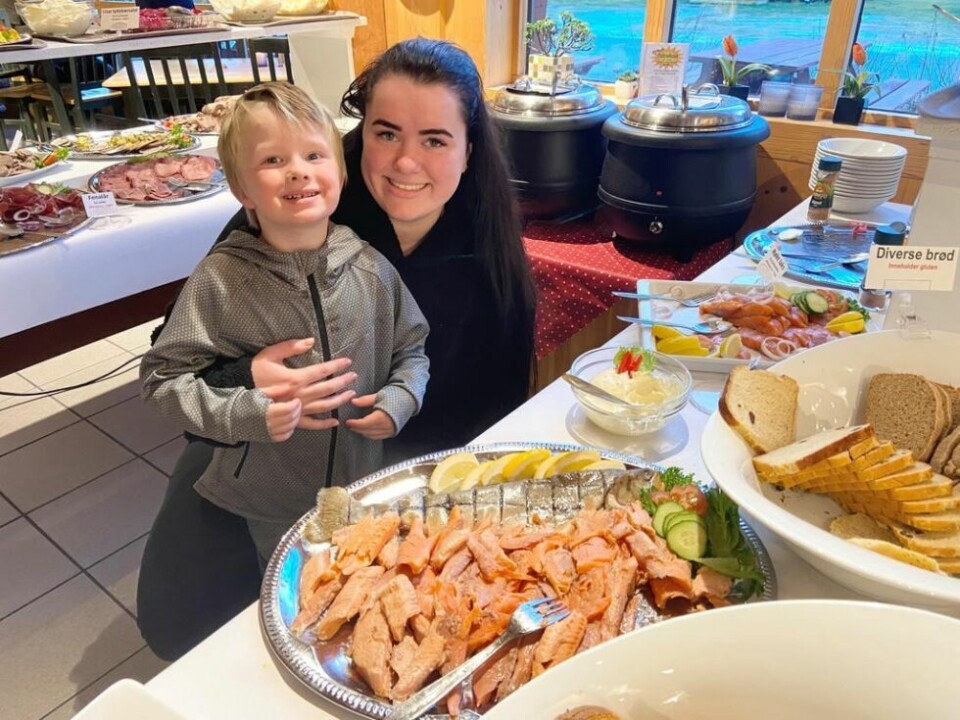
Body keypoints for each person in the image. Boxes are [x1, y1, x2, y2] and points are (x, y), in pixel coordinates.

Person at [137, 39, 536, 660]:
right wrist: (249, 375)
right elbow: (172, 360)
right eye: (386, 133)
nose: (406, 161)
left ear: (468, 150)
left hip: (401, 472)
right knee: (182, 624)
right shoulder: (294, 210)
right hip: (259, 458)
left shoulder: (486, 244)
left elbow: (488, 403)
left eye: (435, 139)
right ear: (358, 137)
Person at [140, 80, 430, 561]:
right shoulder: (219, 281)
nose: (298, 171)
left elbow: (412, 348)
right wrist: (245, 412)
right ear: (242, 189)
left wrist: (402, 398)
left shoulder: (371, 267)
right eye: (273, 160)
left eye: (314, 155)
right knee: (295, 586)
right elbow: (161, 381)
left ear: (339, 172)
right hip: (269, 500)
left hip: (364, 484)